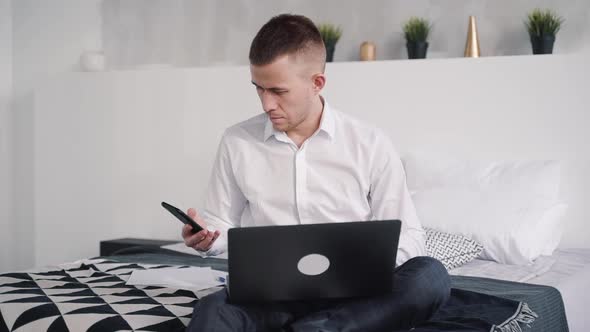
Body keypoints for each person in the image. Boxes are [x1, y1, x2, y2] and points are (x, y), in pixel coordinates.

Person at [183, 13, 450, 332]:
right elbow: (221, 223)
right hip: (268, 297)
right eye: (259, 89)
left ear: (317, 83)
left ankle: (322, 326)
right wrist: (205, 237)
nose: (267, 103)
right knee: (213, 309)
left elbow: (410, 235)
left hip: (354, 296)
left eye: (278, 91)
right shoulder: (237, 141)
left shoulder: (369, 142)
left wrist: (366, 269)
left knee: (430, 275)